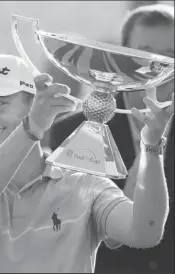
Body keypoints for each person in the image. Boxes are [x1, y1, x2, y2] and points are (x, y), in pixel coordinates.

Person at [0, 53, 173, 273]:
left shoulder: (86, 184)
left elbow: (145, 232)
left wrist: (151, 148)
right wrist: (32, 127)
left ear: (33, 104)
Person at [49, 4, 174, 273]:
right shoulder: (74, 128)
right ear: (122, 54)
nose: (157, 66)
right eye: (144, 53)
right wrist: (149, 148)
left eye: (170, 56)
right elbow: (100, 231)